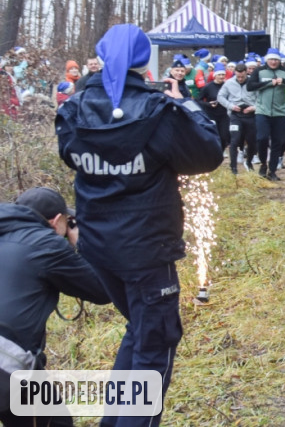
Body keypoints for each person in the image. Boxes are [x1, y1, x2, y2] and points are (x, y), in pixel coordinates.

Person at [55, 24, 223, 427]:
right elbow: (208, 154)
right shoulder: (159, 110)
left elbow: (69, 155)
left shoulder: (73, 109)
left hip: (97, 246)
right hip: (147, 252)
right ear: (144, 62)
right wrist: (188, 105)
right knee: (156, 344)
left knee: (140, 332)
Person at [1, 189, 111, 427]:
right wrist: (80, 242)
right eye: (66, 221)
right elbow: (102, 290)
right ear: (55, 221)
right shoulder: (45, 243)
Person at [247, 48, 285, 180]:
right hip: (262, 111)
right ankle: (263, 164)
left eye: (276, 59)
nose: (273, 62)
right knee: (262, 138)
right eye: (271, 59)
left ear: (279, 60)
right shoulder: (259, 71)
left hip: (280, 112)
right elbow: (250, 86)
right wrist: (269, 83)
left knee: (278, 141)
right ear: (267, 60)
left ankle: (272, 170)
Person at [218, 59, 258, 174]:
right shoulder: (229, 83)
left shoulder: (253, 83)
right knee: (234, 140)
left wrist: (254, 107)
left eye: (242, 76)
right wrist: (230, 106)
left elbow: (261, 99)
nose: (240, 79)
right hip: (236, 115)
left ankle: (249, 161)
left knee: (252, 141)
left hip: (250, 114)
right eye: (238, 76)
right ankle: (233, 167)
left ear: (246, 73)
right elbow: (220, 97)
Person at [197, 63, 230, 149]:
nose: (221, 77)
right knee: (215, 136)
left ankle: (221, 152)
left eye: (223, 74)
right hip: (211, 114)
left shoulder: (227, 86)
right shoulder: (208, 87)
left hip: (224, 115)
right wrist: (208, 104)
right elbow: (198, 100)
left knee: (224, 137)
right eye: (219, 74)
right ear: (215, 75)